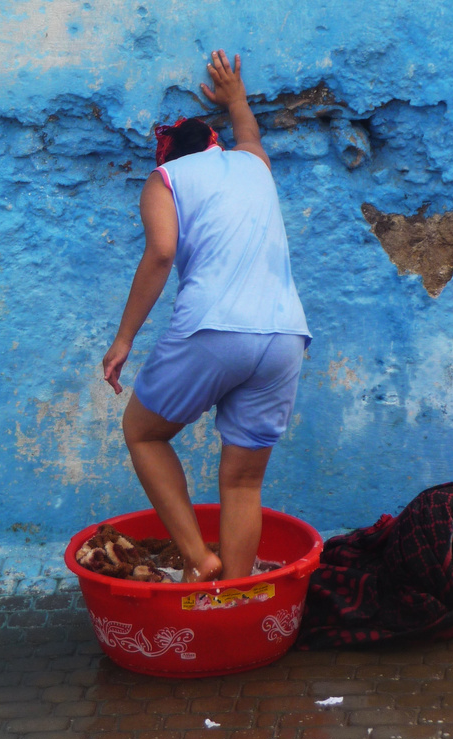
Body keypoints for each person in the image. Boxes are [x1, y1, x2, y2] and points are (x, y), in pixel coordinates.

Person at [102, 50, 310, 583]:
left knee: (144, 433)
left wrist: (124, 338)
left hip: (214, 328)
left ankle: (200, 560)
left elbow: (162, 254)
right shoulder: (252, 165)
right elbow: (252, 137)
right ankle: (236, 598)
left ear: (165, 156)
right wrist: (236, 98)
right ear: (215, 144)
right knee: (243, 484)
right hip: (286, 335)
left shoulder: (165, 179)